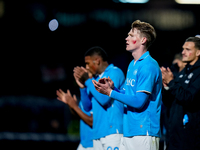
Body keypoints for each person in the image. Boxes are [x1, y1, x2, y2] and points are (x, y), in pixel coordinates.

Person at [93, 20, 162, 150]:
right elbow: (130, 94)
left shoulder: (148, 65)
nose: (127, 38)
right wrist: (114, 89)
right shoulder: (132, 64)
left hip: (144, 132)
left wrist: (110, 93)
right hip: (129, 130)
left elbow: (139, 102)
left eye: (131, 35)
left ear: (143, 40)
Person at [73, 46, 125, 150]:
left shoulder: (115, 72)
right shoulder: (94, 80)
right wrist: (82, 88)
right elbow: (87, 108)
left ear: (97, 61)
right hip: (97, 134)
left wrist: (87, 80)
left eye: (88, 63)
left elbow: (104, 99)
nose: (86, 67)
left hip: (113, 133)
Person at [161, 37, 200, 150]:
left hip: (190, 138)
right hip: (174, 136)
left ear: (198, 52)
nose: (183, 52)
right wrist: (167, 87)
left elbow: (189, 98)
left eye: (188, 49)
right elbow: (169, 103)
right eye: (183, 49)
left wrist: (172, 82)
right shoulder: (183, 72)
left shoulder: (198, 73)